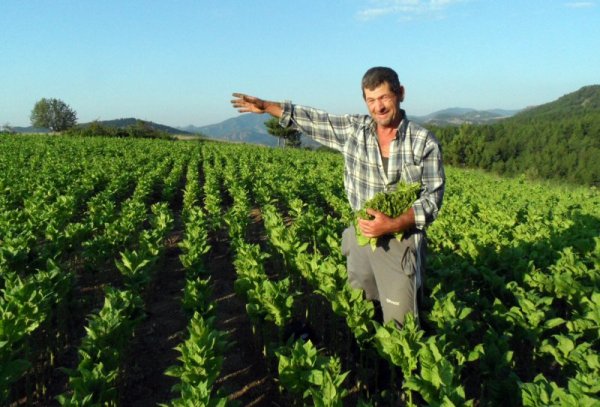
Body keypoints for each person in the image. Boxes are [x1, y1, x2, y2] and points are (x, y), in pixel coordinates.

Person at [231, 66, 445, 326]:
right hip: (361, 235)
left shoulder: (423, 141)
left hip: (401, 240)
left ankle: (398, 366)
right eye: (371, 100)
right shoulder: (354, 130)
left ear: (400, 94)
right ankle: (370, 359)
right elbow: (314, 119)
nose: (378, 107)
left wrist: (394, 223)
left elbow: (432, 199)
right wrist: (266, 106)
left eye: (385, 97)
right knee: (362, 310)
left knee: (401, 322)